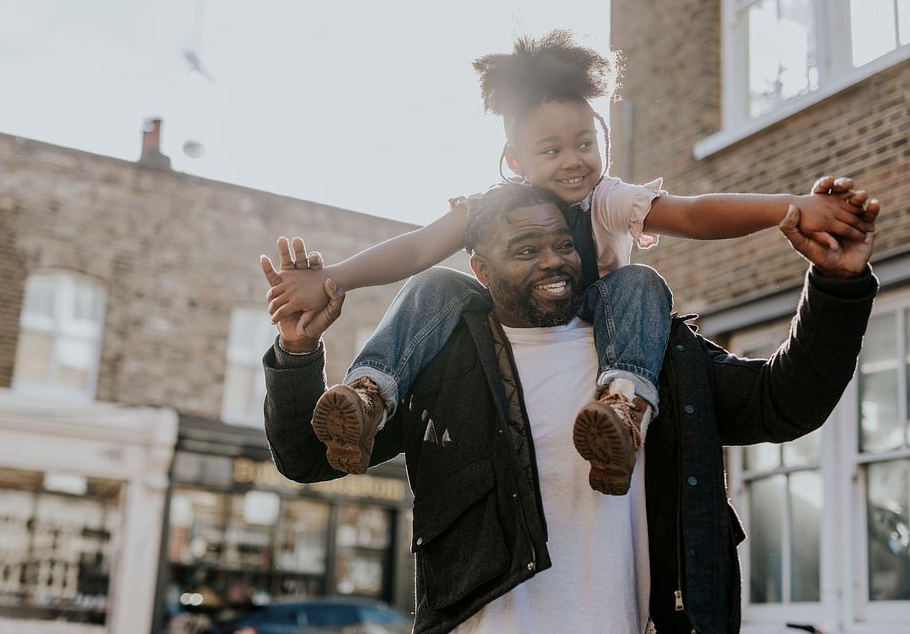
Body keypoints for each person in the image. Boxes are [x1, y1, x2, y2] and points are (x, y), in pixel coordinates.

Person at [263, 31, 874, 496]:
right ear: (514, 160)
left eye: (586, 142)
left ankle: (623, 407)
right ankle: (372, 394)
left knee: (638, 282)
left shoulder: (607, 198)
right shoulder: (484, 216)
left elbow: (692, 214)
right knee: (431, 285)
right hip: (480, 335)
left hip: (612, 324)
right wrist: (332, 278)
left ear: (604, 137)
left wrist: (791, 209)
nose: (574, 161)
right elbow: (418, 247)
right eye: (550, 149)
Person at [260, 182, 879, 633]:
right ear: (478, 266)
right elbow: (308, 459)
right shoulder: (442, 359)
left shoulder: (648, 351)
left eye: (561, 243)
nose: (553, 260)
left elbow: (782, 405)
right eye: (525, 249)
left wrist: (837, 285)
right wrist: (297, 349)